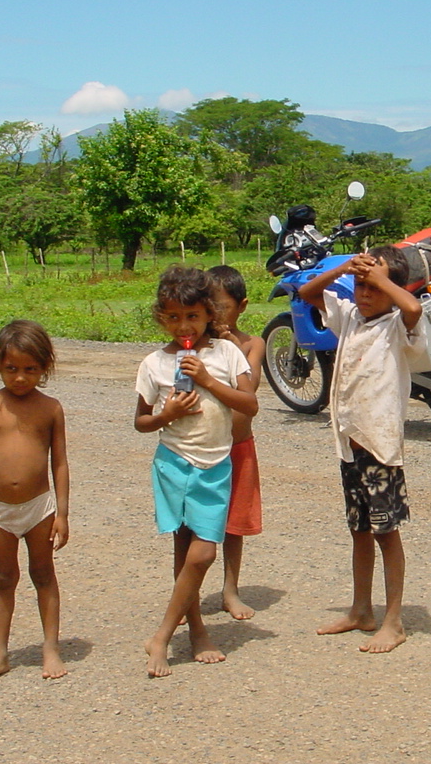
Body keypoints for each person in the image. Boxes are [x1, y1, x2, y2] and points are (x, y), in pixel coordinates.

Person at [297, 245, 422, 653]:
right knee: (360, 530)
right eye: (361, 286)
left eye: (374, 287)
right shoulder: (349, 317)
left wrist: (381, 277)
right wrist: (346, 269)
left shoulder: (397, 326)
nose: (365, 293)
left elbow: (414, 310)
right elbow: (309, 294)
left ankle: (394, 621)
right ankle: (361, 610)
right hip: (349, 445)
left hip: (379, 446)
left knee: (387, 532)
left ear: (392, 288)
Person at [136, 265, 257, 677]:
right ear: (161, 318)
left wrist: (205, 378)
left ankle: (162, 635)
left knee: (204, 552)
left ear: (209, 315)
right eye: (172, 317)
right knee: (184, 550)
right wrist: (166, 412)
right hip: (172, 463)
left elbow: (249, 404)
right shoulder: (154, 363)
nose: (182, 325)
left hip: (215, 466)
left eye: (192, 316)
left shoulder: (227, 354)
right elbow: (141, 421)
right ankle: (196, 632)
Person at [0, 319, 70, 684]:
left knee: (43, 574)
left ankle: (50, 646)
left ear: (45, 368)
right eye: (11, 369)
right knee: (4, 578)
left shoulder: (51, 408)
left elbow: (60, 462)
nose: (20, 378)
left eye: (30, 369)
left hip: (39, 508)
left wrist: (63, 514)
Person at [205, 265, 266, 620]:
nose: (216, 313)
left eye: (223, 306)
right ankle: (186, 592)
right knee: (191, 523)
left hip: (238, 446)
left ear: (241, 306)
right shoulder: (195, 346)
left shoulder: (251, 344)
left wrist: (230, 347)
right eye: (209, 305)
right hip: (201, 448)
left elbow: (251, 386)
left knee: (233, 523)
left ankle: (230, 589)